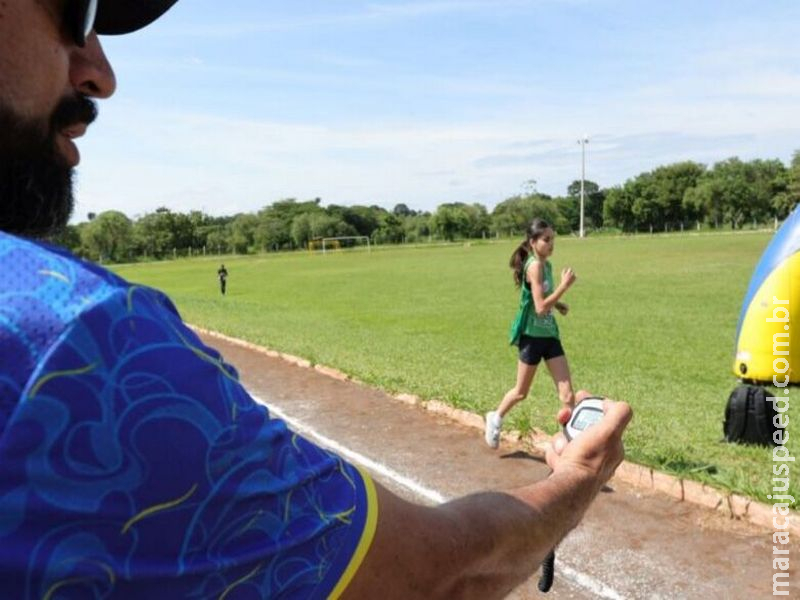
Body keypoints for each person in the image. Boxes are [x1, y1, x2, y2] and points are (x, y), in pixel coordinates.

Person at [0, 1, 632, 598]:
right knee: (529, 394)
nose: (100, 74)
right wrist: (575, 480)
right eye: (74, 7)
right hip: (527, 396)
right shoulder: (77, 337)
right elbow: (436, 577)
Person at [485, 218, 577, 449]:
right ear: (533, 241)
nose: (551, 244)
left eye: (553, 239)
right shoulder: (534, 266)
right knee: (520, 392)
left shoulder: (547, 266)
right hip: (531, 336)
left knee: (567, 395)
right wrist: (563, 287)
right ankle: (495, 418)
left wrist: (558, 304)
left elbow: (544, 300)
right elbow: (538, 307)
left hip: (549, 335)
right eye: (546, 240)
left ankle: (569, 443)